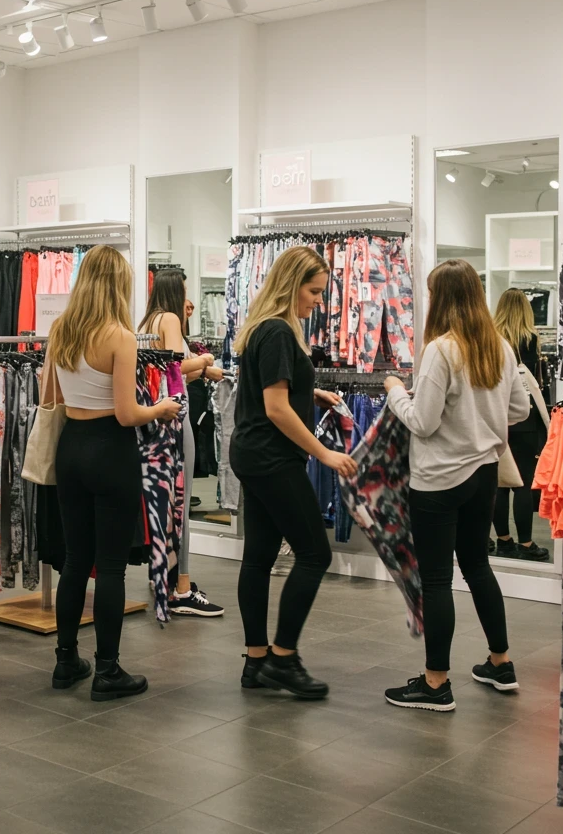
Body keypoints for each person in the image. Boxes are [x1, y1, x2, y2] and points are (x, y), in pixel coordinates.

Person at [382, 259, 531, 711]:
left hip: (439, 479)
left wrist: (394, 391)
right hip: (484, 474)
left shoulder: (441, 351)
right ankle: (500, 662)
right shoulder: (500, 348)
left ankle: (435, 683)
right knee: (478, 567)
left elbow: (422, 423)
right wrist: (480, 424)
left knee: (437, 579)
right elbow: (521, 409)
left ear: (440, 298)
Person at [46, 245, 181, 701]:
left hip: (71, 447)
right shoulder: (120, 336)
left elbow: (54, 397)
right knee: (110, 566)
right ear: (118, 285)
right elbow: (126, 414)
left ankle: (66, 661)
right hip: (110, 450)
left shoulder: (60, 329)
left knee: (74, 561)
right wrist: (160, 407)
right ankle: (107, 670)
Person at [229, 246, 357, 699]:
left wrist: (313, 392)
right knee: (314, 554)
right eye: (314, 291)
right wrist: (324, 453)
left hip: (253, 452)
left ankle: (257, 659)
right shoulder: (280, 331)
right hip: (271, 457)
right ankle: (283, 658)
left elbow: (277, 392)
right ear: (291, 285)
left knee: (259, 555)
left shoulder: (267, 328)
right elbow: (276, 408)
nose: (318, 301)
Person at [138, 268, 225, 618]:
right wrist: (204, 361)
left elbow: (165, 371)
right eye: (185, 289)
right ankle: (182, 589)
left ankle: (165, 579)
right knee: (180, 508)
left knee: (164, 507)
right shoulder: (169, 319)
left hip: (154, 420)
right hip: (175, 417)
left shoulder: (148, 321)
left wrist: (201, 371)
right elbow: (176, 369)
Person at [491, 288, 550, 562]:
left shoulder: (491, 340)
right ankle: (526, 543)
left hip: (497, 417)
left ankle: (503, 540)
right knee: (524, 484)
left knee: (500, 484)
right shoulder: (531, 340)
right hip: (525, 418)